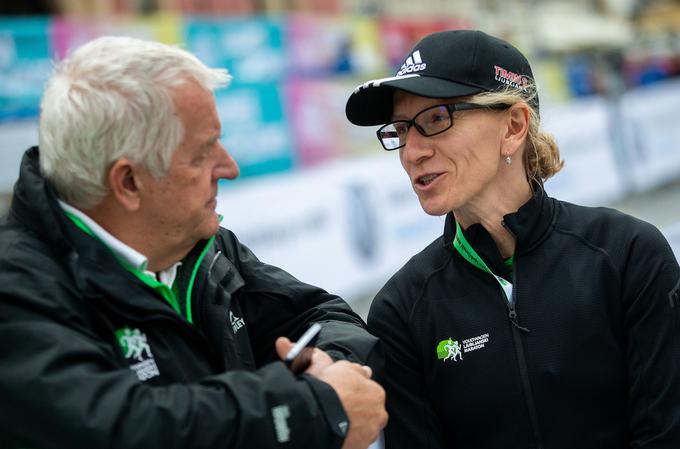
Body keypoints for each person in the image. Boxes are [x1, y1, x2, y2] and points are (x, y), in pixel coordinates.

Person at [0, 35, 387, 449]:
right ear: (129, 182)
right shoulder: (19, 289)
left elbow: (326, 316)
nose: (230, 167)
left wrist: (331, 372)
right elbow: (122, 429)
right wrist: (311, 406)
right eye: (202, 154)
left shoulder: (202, 246)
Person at [345, 29, 680, 449]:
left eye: (435, 120)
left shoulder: (628, 255)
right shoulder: (401, 311)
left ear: (514, 126)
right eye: (400, 129)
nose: (412, 152)